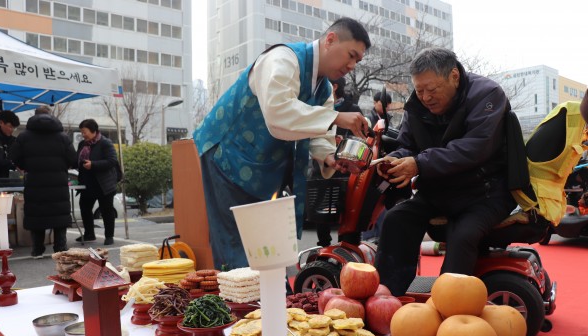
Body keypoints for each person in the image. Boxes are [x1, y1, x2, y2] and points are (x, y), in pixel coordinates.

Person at [193, 17, 371, 270]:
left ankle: (269, 300)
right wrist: (336, 116)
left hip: (263, 165)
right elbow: (278, 115)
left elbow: (318, 135)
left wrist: (329, 157)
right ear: (330, 40)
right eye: (351, 55)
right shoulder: (283, 59)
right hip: (229, 154)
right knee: (237, 242)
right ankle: (243, 303)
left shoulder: (323, 89)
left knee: (266, 244)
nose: (352, 65)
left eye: (358, 61)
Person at [374, 47, 518, 296]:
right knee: (396, 219)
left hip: (485, 192)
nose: (426, 98)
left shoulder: (488, 94)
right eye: (419, 90)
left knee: (463, 236)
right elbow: (407, 145)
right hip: (438, 191)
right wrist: (394, 160)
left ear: (454, 76)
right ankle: (386, 296)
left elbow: (475, 148)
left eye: (432, 89)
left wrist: (419, 164)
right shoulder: (416, 106)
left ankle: (447, 305)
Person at [10, 108, 76, 258]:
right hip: (58, 182)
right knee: (59, 213)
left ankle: (37, 249)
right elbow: (73, 159)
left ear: (34, 116)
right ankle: (60, 247)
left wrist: (26, 165)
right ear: (51, 116)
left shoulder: (24, 136)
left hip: (34, 181)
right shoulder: (62, 137)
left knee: (37, 214)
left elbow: (14, 156)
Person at [313, 77, 361, 247]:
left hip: (346, 167)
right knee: (321, 208)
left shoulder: (352, 109)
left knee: (348, 208)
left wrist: (342, 142)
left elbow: (360, 137)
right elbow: (313, 138)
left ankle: (347, 245)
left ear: (334, 87)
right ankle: (323, 246)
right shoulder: (316, 107)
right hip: (322, 166)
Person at [75, 119, 119, 246]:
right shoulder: (82, 144)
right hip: (87, 183)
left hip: (104, 184)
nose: (83, 135)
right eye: (81, 132)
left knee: (107, 211)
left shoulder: (105, 143)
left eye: (85, 132)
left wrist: (93, 165)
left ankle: (109, 236)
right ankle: (89, 234)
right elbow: (77, 159)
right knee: (85, 208)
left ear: (94, 131)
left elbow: (111, 161)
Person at [0, 110, 20, 249]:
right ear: (1, 123)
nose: (11, 129)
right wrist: (13, 164)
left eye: (13, 127)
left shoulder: (2, 136)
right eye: (9, 126)